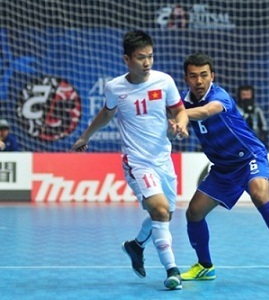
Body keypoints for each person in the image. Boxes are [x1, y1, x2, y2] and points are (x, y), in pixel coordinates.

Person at [70, 30, 189, 290]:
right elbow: (106, 113)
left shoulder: (164, 81)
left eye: (150, 57)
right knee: (158, 210)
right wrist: (86, 136)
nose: (147, 63)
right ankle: (173, 270)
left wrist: (180, 124)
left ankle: (135, 246)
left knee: (165, 214)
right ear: (127, 59)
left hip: (163, 160)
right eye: (140, 58)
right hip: (137, 162)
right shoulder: (114, 87)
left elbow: (179, 110)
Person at [179, 52, 269, 281]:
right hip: (222, 168)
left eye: (204, 75)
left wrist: (180, 115)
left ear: (212, 76)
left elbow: (206, 112)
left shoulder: (219, 95)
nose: (199, 81)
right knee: (194, 213)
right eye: (193, 76)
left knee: (259, 193)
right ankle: (205, 265)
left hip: (249, 158)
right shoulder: (182, 101)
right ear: (186, 78)